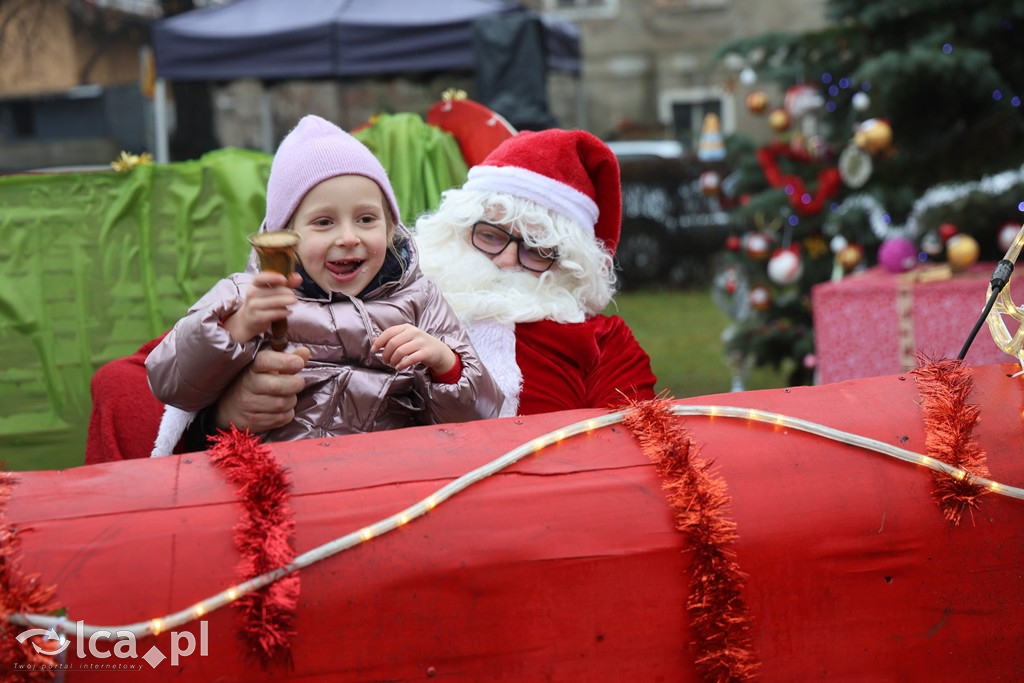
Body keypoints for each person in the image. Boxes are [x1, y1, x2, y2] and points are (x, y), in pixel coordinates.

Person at [200, 128, 656, 435]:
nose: (507, 261)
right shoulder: (388, 291)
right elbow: (175, 374)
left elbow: (635, 449)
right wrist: (224, 410)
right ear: (455, 230)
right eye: (490, 236)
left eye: (537, 250)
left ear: (571, 265)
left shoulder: (605, 342)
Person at [144, 115, 503, 455]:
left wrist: (446, 365)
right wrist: (237, 327)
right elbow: (169, 382)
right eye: (323, 222)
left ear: (390, 227)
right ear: (285, 234)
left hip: (393, 471)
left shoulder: (420, 298)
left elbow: (485, 416)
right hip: (281, 474)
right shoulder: (250, 296)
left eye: (366, 219)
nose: (348, 237)